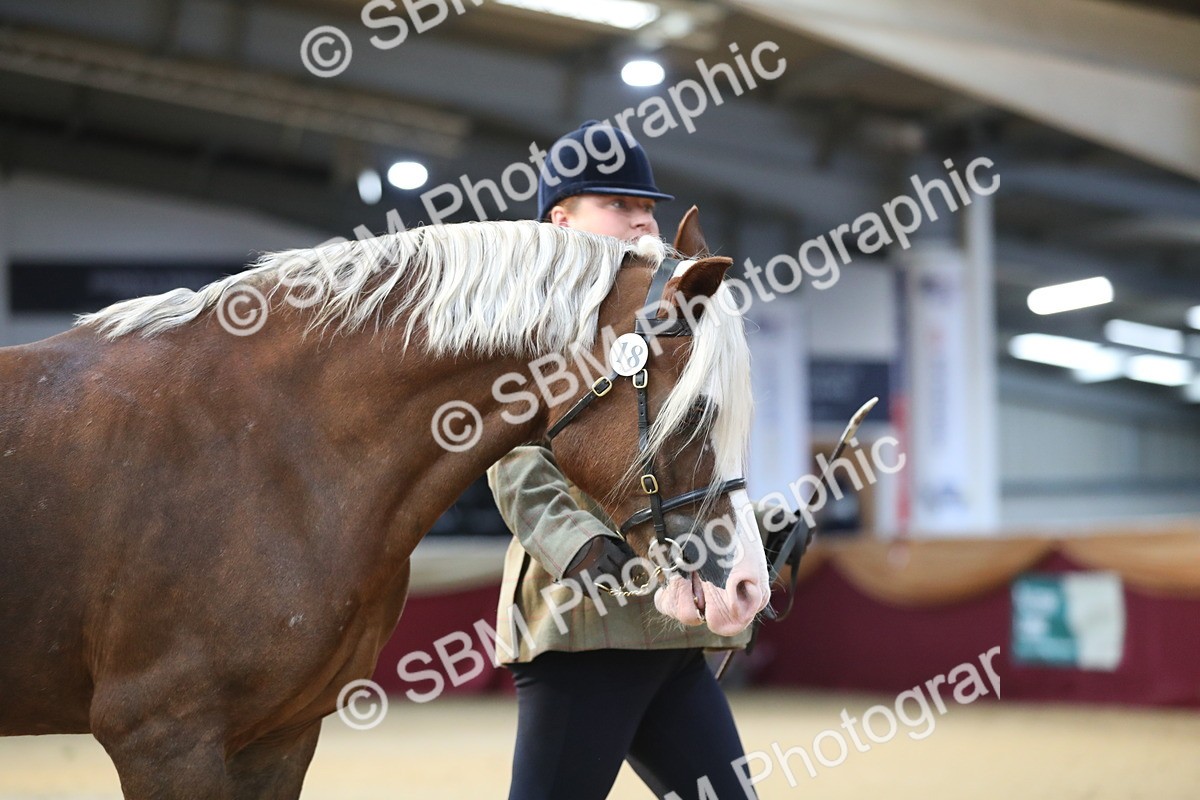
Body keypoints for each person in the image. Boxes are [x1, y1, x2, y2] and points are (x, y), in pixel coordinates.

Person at [487, 121, 758, 800]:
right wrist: (575, 542)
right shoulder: (532, 322)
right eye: (618, 206)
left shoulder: (663, 319)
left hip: (671, 636)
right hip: (582, 627)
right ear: (560, 217)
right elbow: (508, 459)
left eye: (647, 208)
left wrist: (743, 534)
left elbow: (693, 450)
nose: (642, 221)